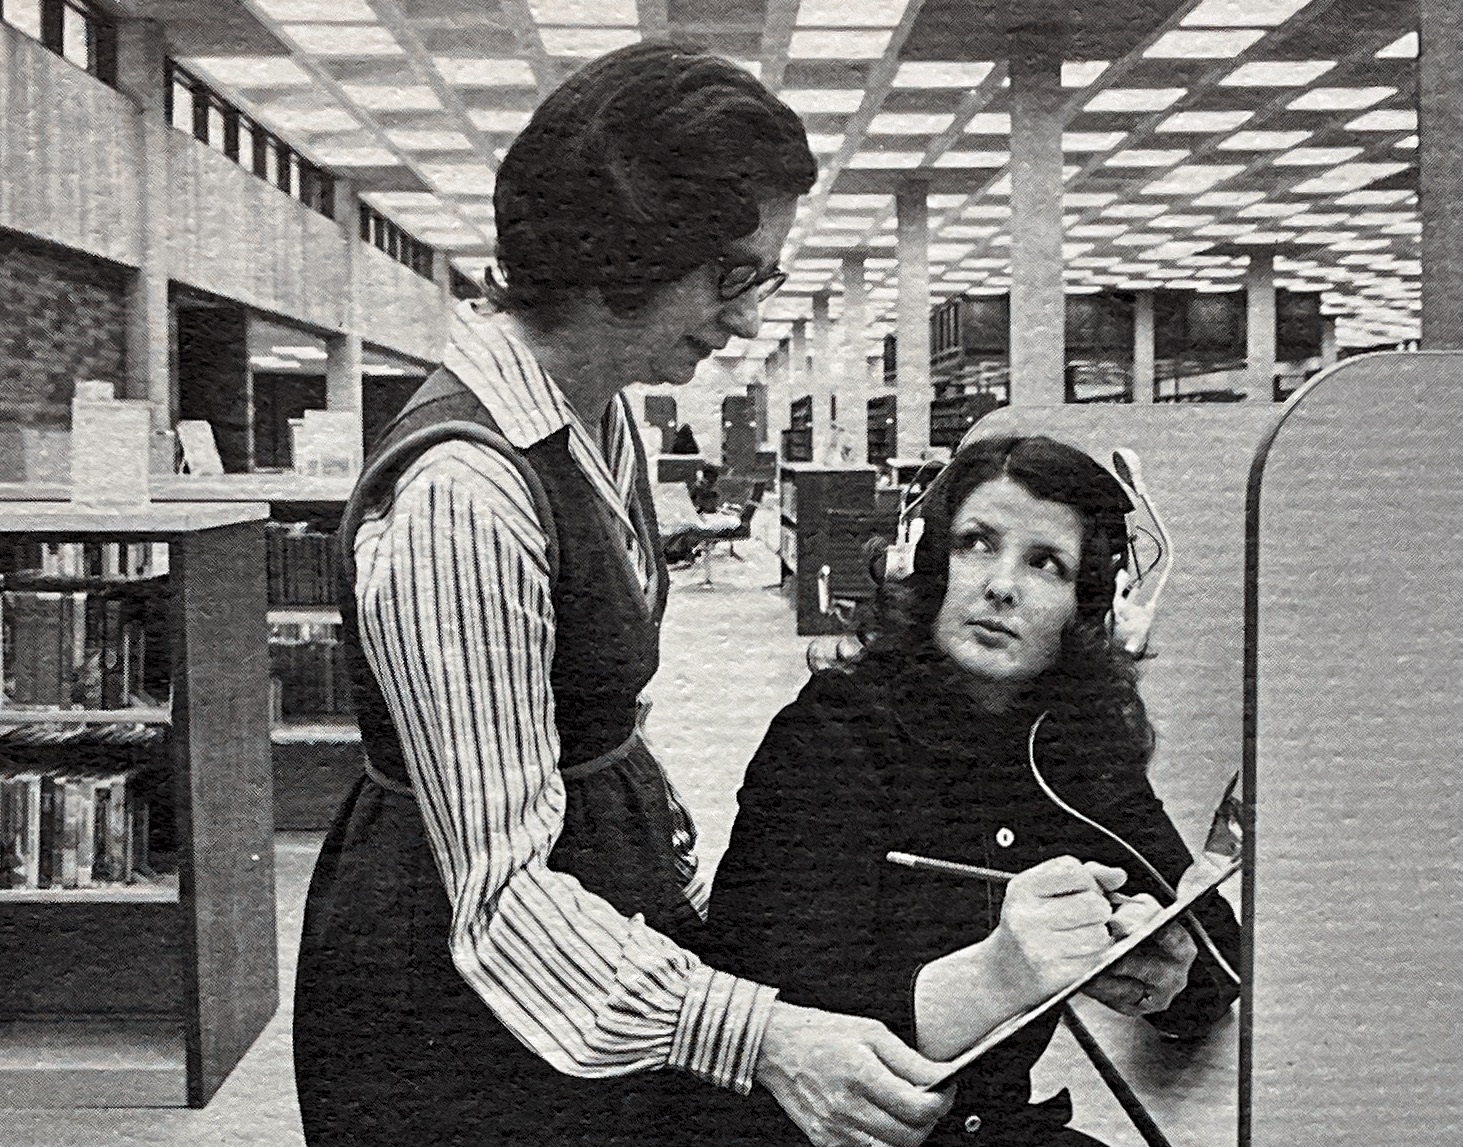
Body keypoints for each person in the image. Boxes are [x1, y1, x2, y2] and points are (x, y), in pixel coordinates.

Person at [295, 43, 981, 1147]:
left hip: (584, 930)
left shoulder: (596, 412)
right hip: (460, 998)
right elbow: (504, 898)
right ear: (628, 245)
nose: (749, 317)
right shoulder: (464, 494)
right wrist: (760, 1036)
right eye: (734, 274)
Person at [699, 435, 1242, 1146]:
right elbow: (776, 1027)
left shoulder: (1073, 750)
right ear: (928, 564)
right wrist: (996, 975)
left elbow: (1212, 953)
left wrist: (1161, 972)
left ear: (1085, 608)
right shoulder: (832, 734)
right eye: (976, 543)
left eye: (1044, 563)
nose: (1001, 584)